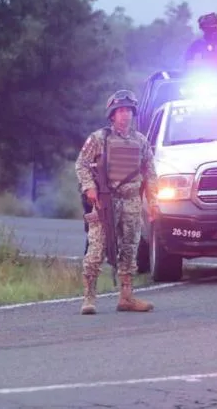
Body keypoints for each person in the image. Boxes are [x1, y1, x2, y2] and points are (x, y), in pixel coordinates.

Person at [75, 89, 158, 315]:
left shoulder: (141, 142)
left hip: (131, 201)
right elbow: (81, 164)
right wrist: (89, 187)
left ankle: (126, 296)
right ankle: (89, 297)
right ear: (112, 115)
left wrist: (153, 202)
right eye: (120, 111)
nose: (125, 115)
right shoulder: (99, 139)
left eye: (128, 111)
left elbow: (150, 173)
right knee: (97, 249)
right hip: (105, 201)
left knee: (130, 249)